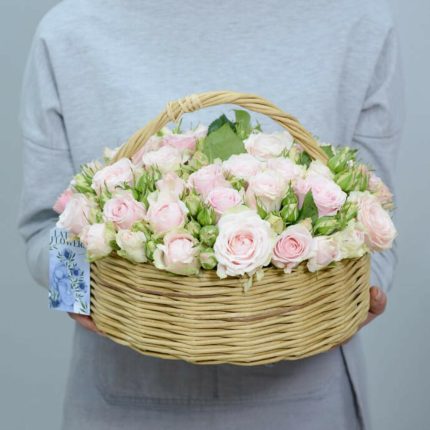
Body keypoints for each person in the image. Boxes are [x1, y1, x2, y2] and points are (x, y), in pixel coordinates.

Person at [17, 0, 404, 429]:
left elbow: (377, 215)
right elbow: (44, 225)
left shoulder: (360, 23)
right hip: (123, 402)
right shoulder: (69, 31)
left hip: (307, 403)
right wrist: (77, 291)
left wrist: (355, 292)